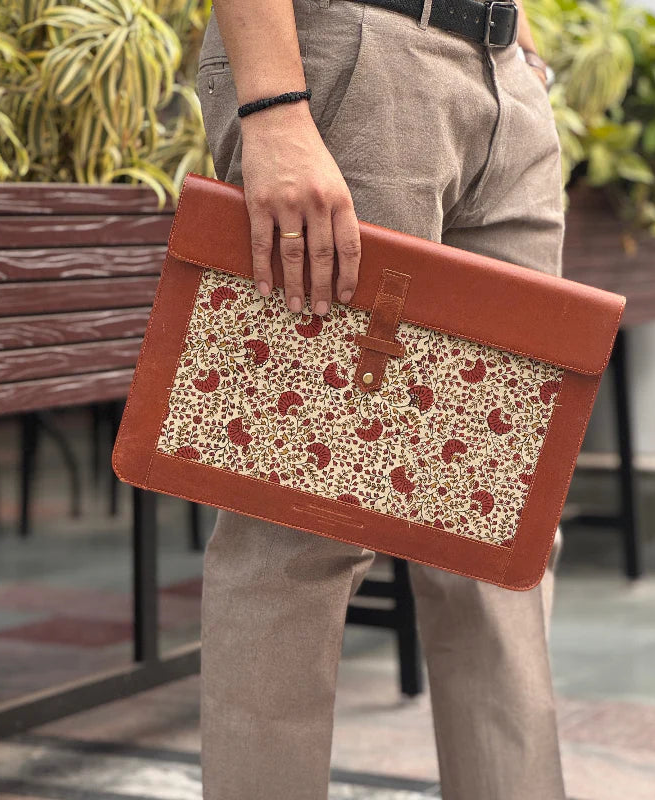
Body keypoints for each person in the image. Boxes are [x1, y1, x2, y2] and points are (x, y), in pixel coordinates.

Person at [195, 0, 567, 797]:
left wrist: (522, 55)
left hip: (502, 79)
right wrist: (272, 107)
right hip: (353, 60)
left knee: (501, 537)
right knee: (296, 524)